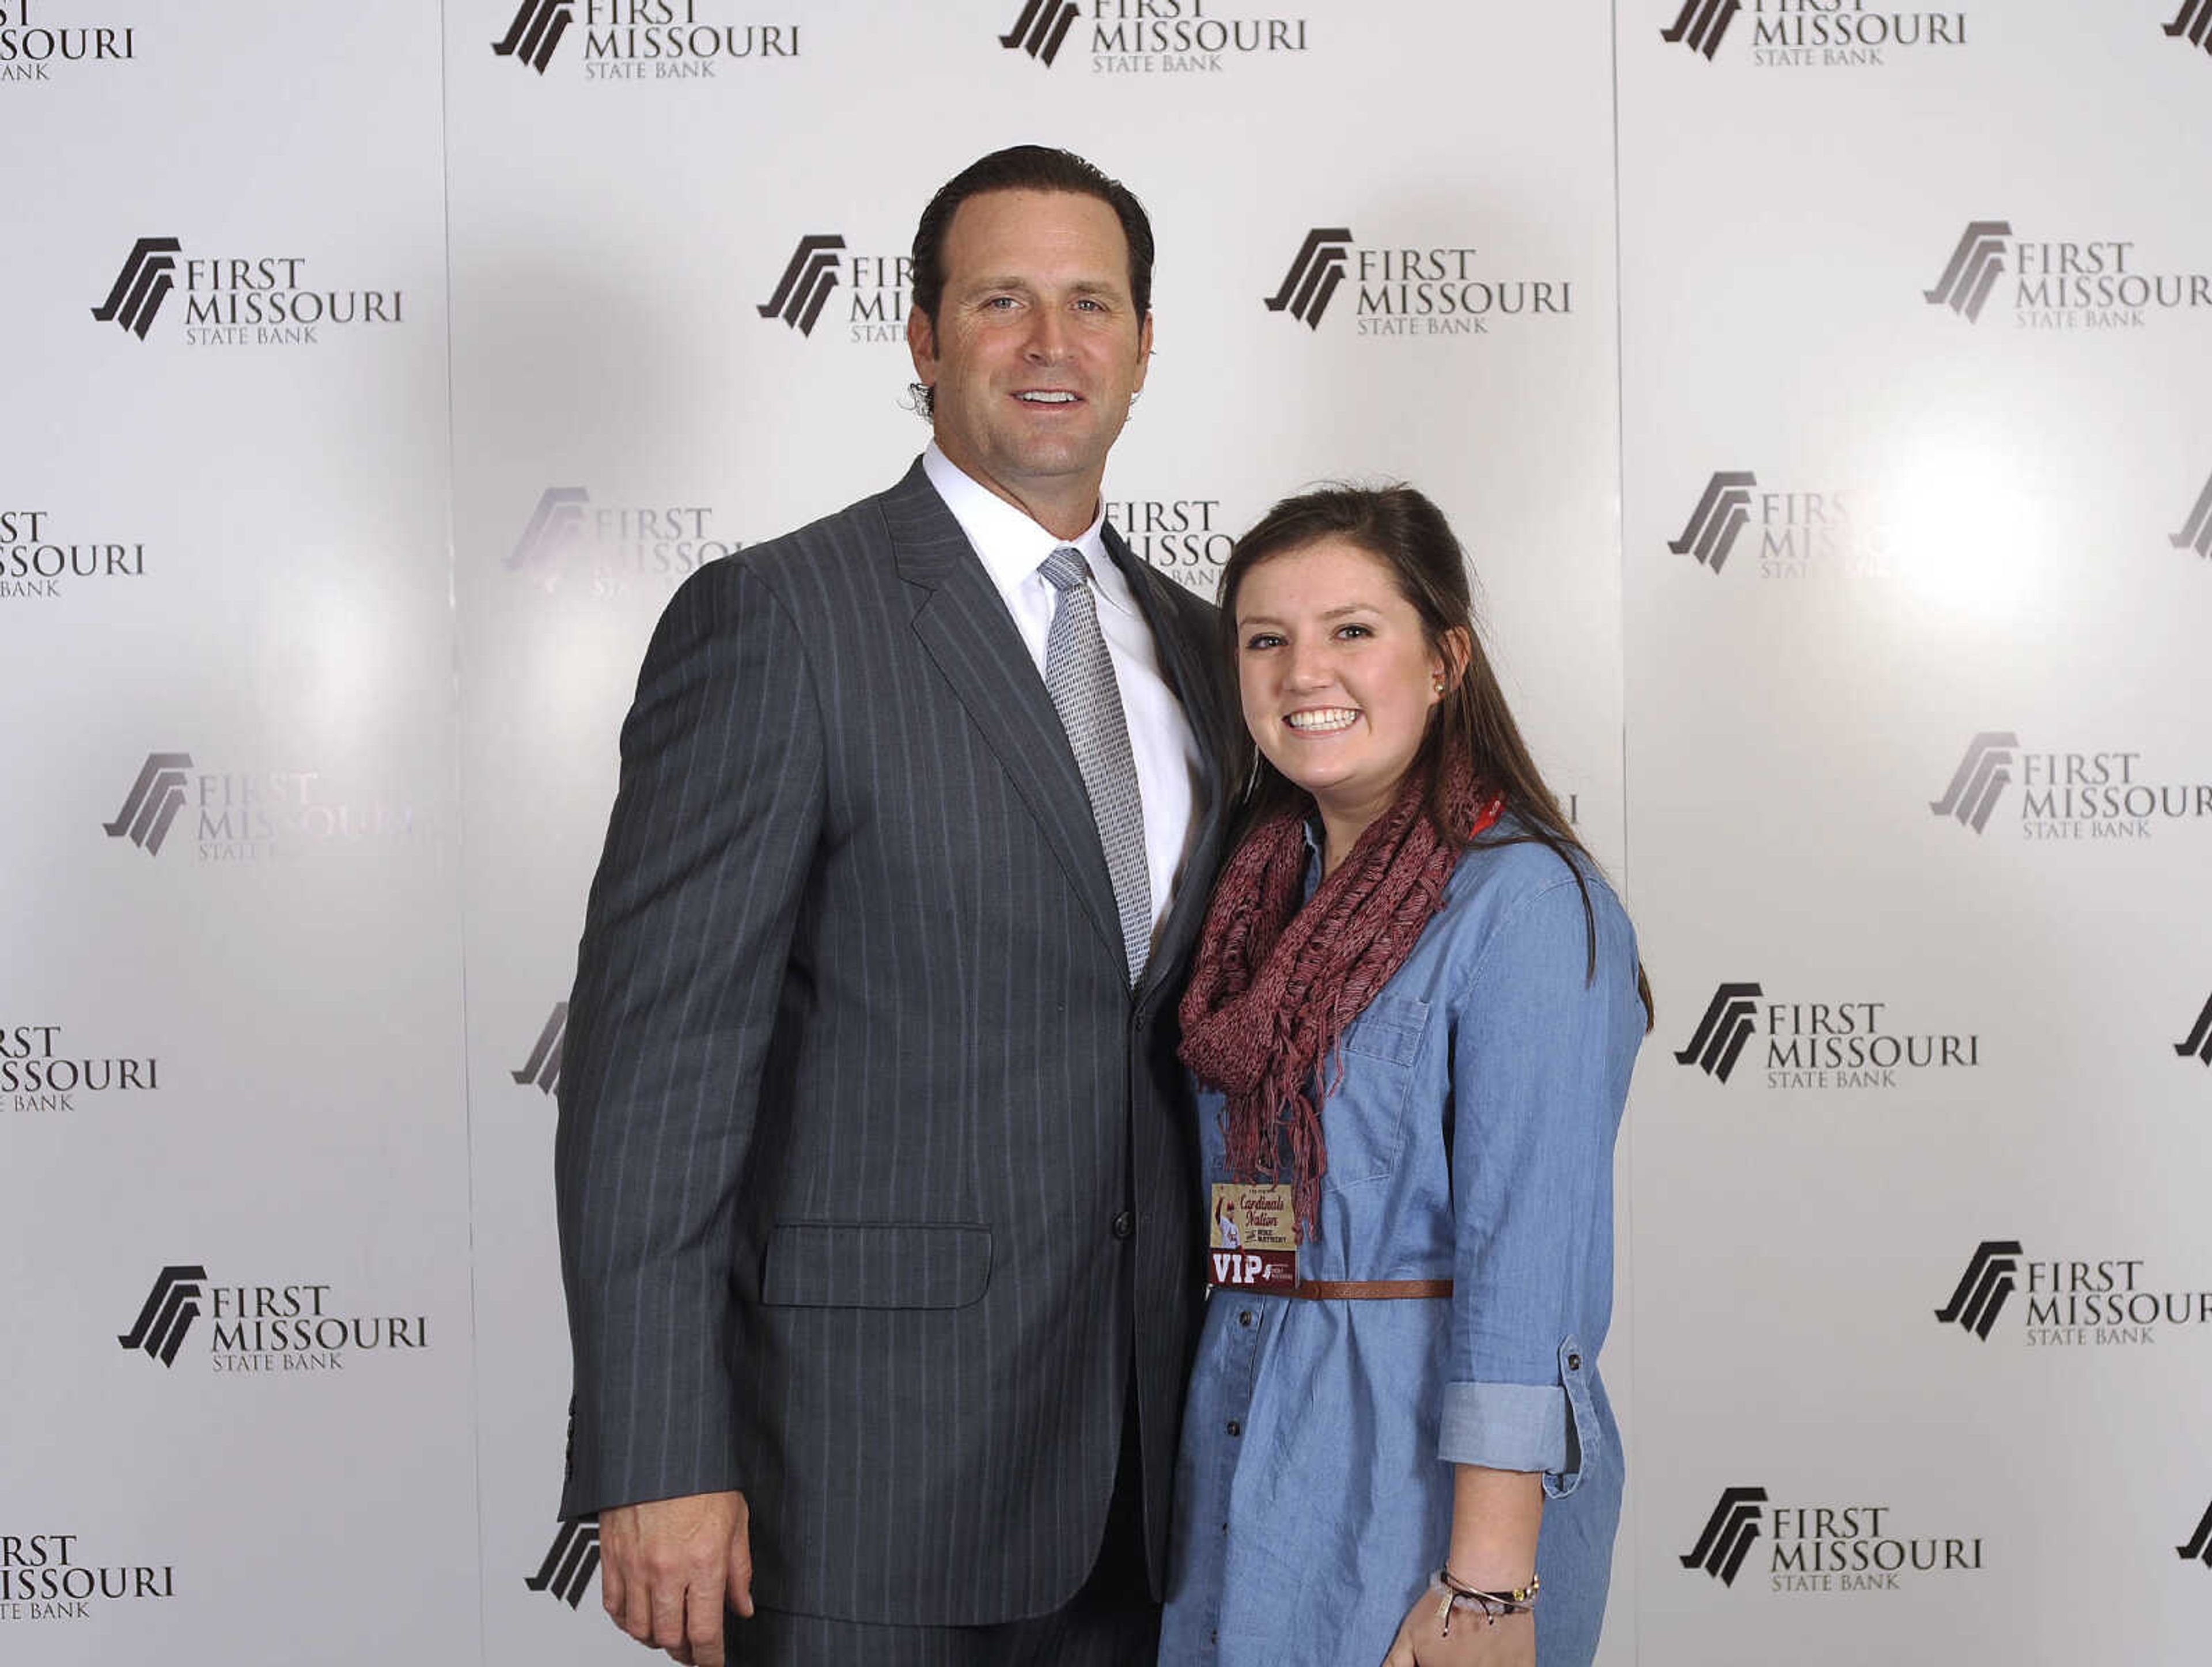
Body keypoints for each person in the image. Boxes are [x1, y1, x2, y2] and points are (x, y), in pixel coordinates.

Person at [552, 145, 1235, 1667]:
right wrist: (657, 1449)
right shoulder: (782, 619)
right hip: (858, 1482)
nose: (1052, 345)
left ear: (1141, 346)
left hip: (1156, 1489)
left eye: (1092, 304)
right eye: (1002, 301)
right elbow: (655, 1075)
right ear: (923, 340)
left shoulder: (1213, 649)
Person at [1160, 486, 1651, 1667]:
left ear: (1444, 659)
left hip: (1420, 1472)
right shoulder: (1250, 896)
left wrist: (1485, 1591)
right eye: (1266, 640)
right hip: (1244, 1426)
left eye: (1352, 631)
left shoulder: (1527, 902)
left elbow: (1526, 1273)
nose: (1302, 672)